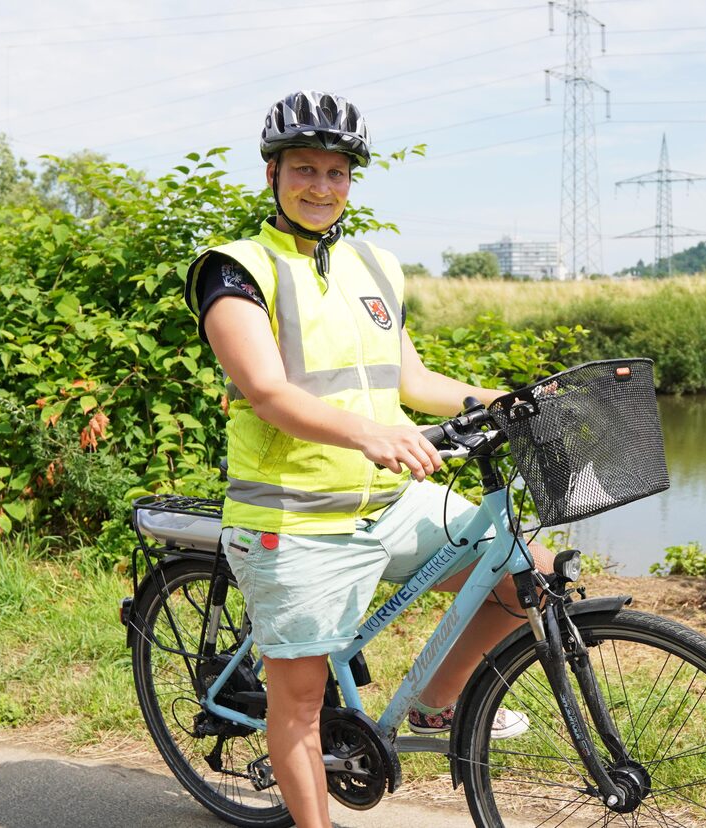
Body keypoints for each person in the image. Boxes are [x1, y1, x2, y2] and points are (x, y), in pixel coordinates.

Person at [183, 90, 547, 828]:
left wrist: (502, 398)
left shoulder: (374, 266)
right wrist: (369, 435)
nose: (321, 186)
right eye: (304, 170)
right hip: (296, 517)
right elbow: (267, 391)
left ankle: (435, 707)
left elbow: (412, 383)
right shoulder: (235, 271)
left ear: (353, 181)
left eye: (336, 172)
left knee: (525, 571)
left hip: (385, 503)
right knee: (300, 701)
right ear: (272, 177)